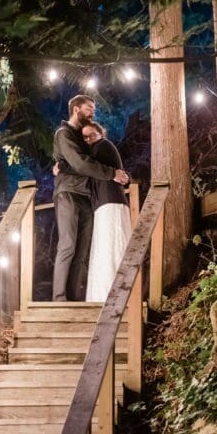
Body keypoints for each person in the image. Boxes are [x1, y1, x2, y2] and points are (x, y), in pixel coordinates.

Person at [52, 95, 129, 302]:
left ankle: (76, 298)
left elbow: (86, 162)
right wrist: (112, 173)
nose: (92, 112)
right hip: (68, 193)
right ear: (76, 109)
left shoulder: (83, 137)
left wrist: (64, 167)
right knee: (68, 245)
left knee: (83, 250)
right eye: (89, 108)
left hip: (87, 197)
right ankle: (59, 299)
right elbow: (81, 163)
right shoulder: (64, 134)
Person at [80, 122, 132, 303]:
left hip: (111, 203)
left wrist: (62, 166)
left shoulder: (103, 146)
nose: (88, 140)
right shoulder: (98, 149)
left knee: (112, 247)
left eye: (91, 135)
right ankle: (103, 296)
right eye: (84, 137)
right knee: (104, 249)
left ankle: (116, 296)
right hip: (105, 204)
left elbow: (84, 165)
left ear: (101, 133)